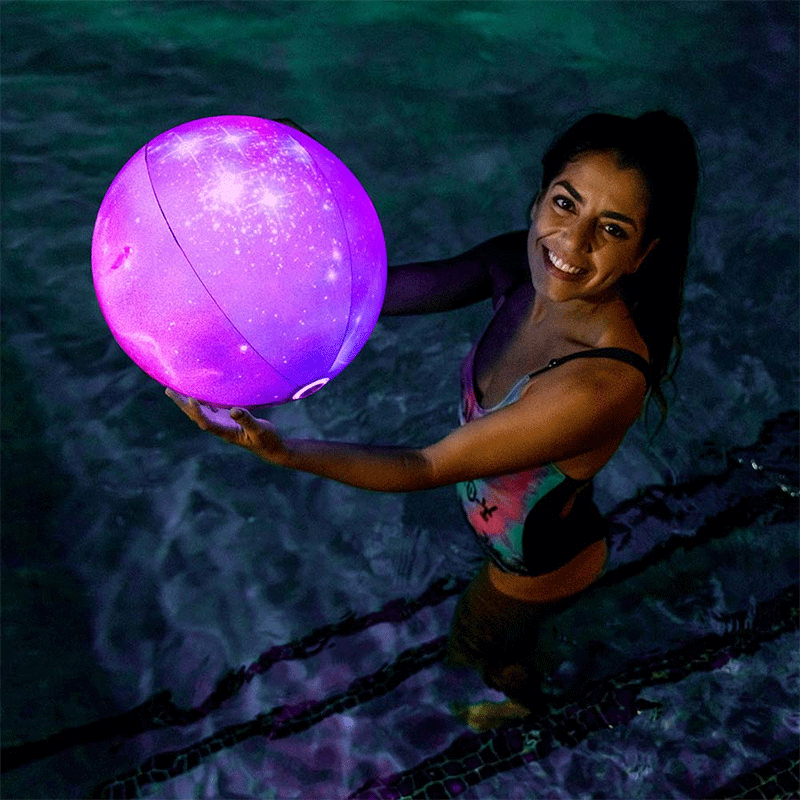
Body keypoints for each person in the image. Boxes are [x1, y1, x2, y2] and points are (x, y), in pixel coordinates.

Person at [167, 111, 699, 730]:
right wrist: (264, 266)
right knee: (485, 644)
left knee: (478, 648)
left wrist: (285, 450)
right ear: (537, 198)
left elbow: (427, 464)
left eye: (611, 229)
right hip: (513, 524)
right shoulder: (516, 270)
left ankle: (527, 711)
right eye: (564, 203)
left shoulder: (597, 383)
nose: (571, 245)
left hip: (533, 566)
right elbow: (366, 297)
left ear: (644, 254)